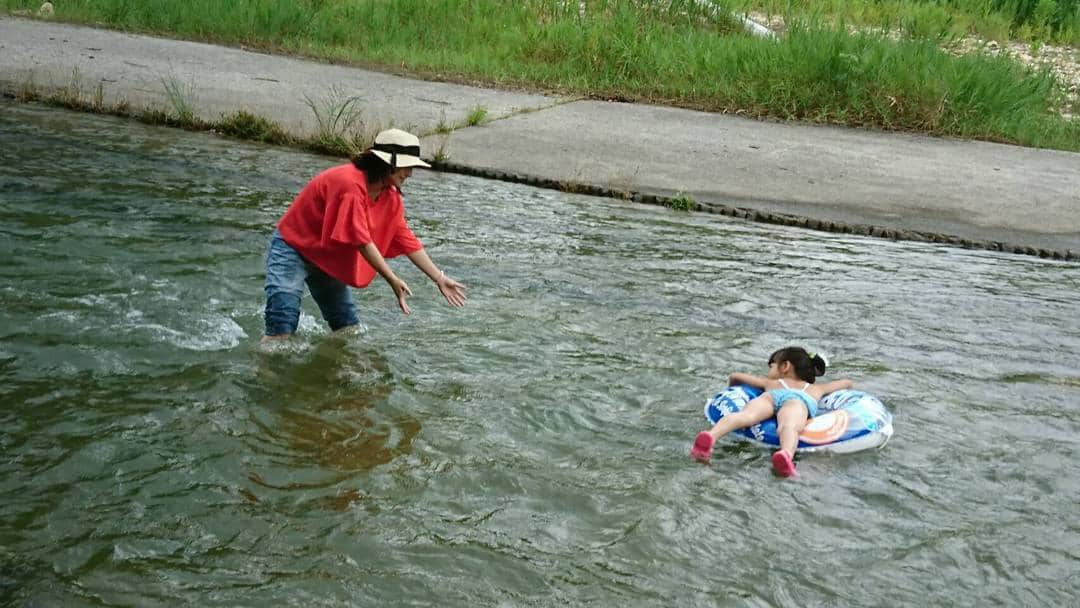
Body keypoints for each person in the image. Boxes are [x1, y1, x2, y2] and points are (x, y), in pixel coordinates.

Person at [263, 128, 466, 339]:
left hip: (327, 257)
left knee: (348, 329)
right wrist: (392, 279)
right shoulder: (349, 184)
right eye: (407, 166)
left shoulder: (390, 196)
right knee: (281, 328)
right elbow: (361, 241)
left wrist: (438, 278)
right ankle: (265, 366)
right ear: (389, 164)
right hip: (293, 249)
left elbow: (406, 240)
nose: (410, 174)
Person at [690, 347, 853, 476]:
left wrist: (732, 387)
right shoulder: (816, 389)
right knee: (788, 427)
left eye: (772, 366)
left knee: (744, 416)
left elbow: (735, 376)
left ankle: (712, 436)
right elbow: (846, 383)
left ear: (785, 366)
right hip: (797, 402)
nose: (769, 370)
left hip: (770, 397)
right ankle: (786, 455)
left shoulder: (770, 383)